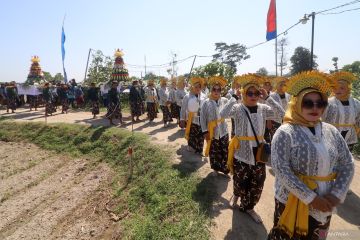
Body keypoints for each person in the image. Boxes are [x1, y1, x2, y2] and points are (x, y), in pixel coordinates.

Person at [268, 71, 354, 240]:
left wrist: (337, 193)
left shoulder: (331, 131)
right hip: (292, 200)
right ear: (297, 103)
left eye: (320, 103)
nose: (315, 108)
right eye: (308, 103)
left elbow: (348, 163)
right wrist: (311, 198)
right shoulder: (285, 132)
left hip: (326, 202)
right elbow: (281, 169)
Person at [220, 73, 285, 223]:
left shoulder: (263, 108)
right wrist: (234, 97)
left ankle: (249, 207)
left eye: (256, 93)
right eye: (249, 93)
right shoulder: (237, 108)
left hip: (259, 153)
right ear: (243, 93)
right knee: (240, 179)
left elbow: (281, 114)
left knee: (258, 182)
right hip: (241, 153)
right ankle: (236, 195)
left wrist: (268, 97)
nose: (253, 96)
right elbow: (222, 114)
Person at [322, 71, 360, 151]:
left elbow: (358, 118)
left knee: (347, 157)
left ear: (348, 88)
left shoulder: (356, 103)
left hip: (350, 134)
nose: (337, 90)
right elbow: (322, 118)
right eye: (335, 88)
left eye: (342, 88)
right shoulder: (328, 102)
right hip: (332, 134)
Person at [200, 76, 230, 175]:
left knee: (225, 150)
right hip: (212, 131)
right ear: (211, 90)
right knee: (214, 151)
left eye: (218, 89)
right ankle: (215, 169)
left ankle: (225, 169)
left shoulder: (224, 100)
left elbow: (233, 106)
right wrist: (205, 131)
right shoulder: (206, 103)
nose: (216, 91)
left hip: (224, 130)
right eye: (214, 89)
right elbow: (203, 118)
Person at [180, 77, 207, 154]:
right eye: (196, 87)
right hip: (191, 119)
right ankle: (192, 146)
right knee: (192, 133)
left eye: (199, 87)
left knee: (201, 134)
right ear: (192, 87)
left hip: (201, 118)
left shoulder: (204, 96)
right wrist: (182, 119)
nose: (198, 88)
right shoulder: (187, 96)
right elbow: (183, 108)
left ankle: (199, 149)